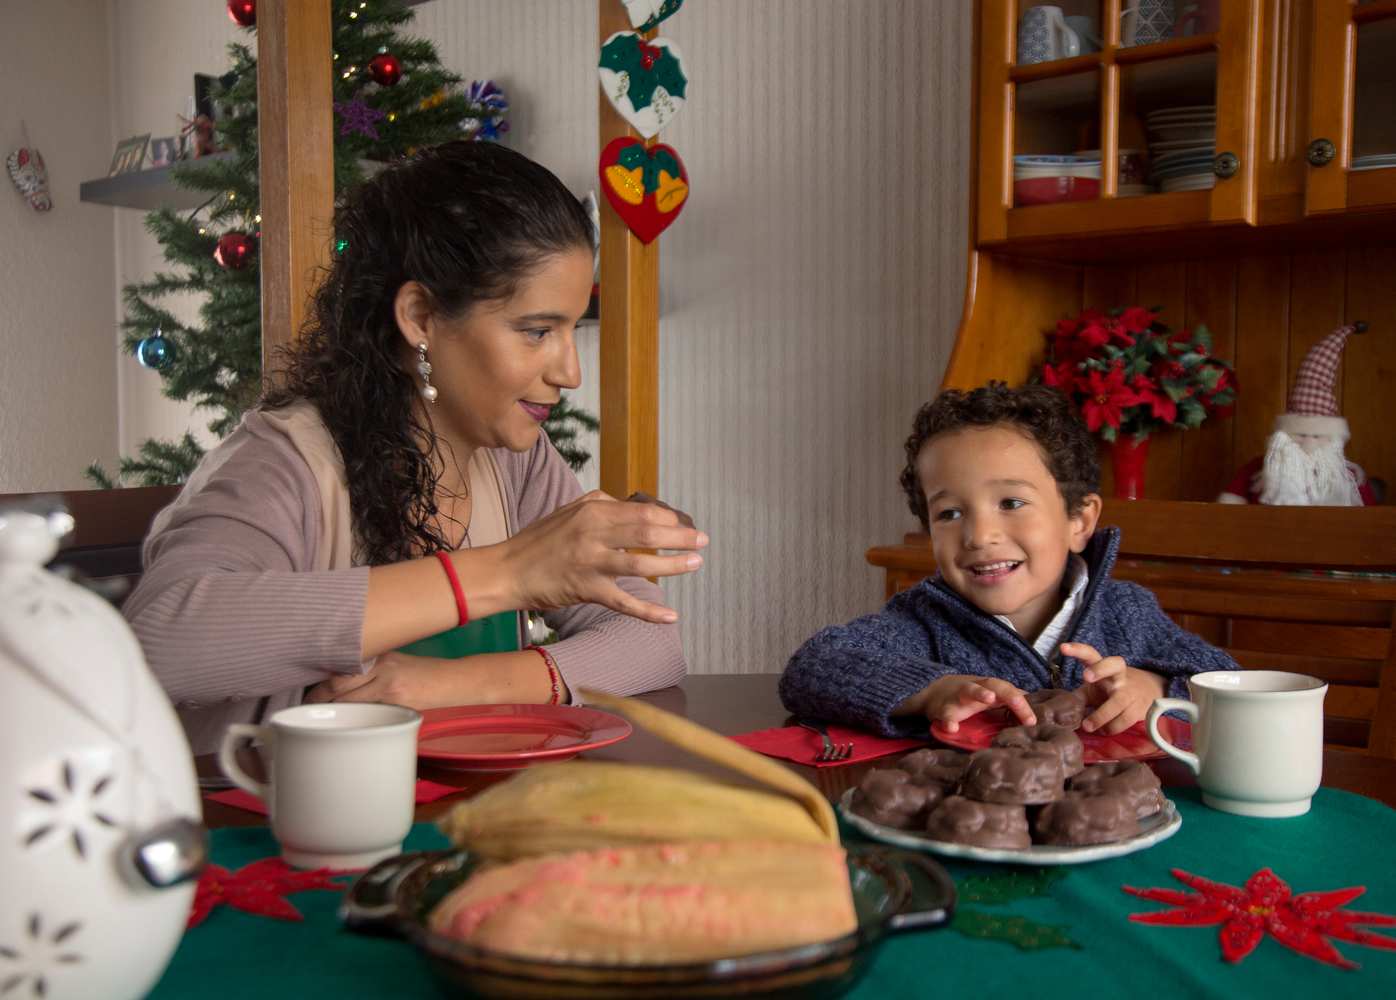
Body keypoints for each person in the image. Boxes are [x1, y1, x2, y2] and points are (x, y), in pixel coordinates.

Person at [125, 142, 707, 753]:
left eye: (571, 329)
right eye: (537, 331)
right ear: (422, 316)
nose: (569, 372)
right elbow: (161, 640)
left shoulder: (519, 459)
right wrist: (511, 571)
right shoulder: (284, 461)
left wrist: (446, 686)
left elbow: (651, 640)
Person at [779, 382, 1235, 739]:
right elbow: (811, 669)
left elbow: (1230, 684)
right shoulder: (922, 621)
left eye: (1011, 502)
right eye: (950, 513)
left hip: (1111, 814)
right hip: (975, 819)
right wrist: (932, 691)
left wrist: (1152, 688)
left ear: (1079, 520)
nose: (979, 535)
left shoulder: (1127, 613)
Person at [1218, 324, 1377, 507]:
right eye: (1300, 435)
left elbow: (1371, 516)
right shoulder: (1258, 468)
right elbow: (1231, 504)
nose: (1308, 444)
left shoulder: (1349, 476)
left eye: (1317, 437)